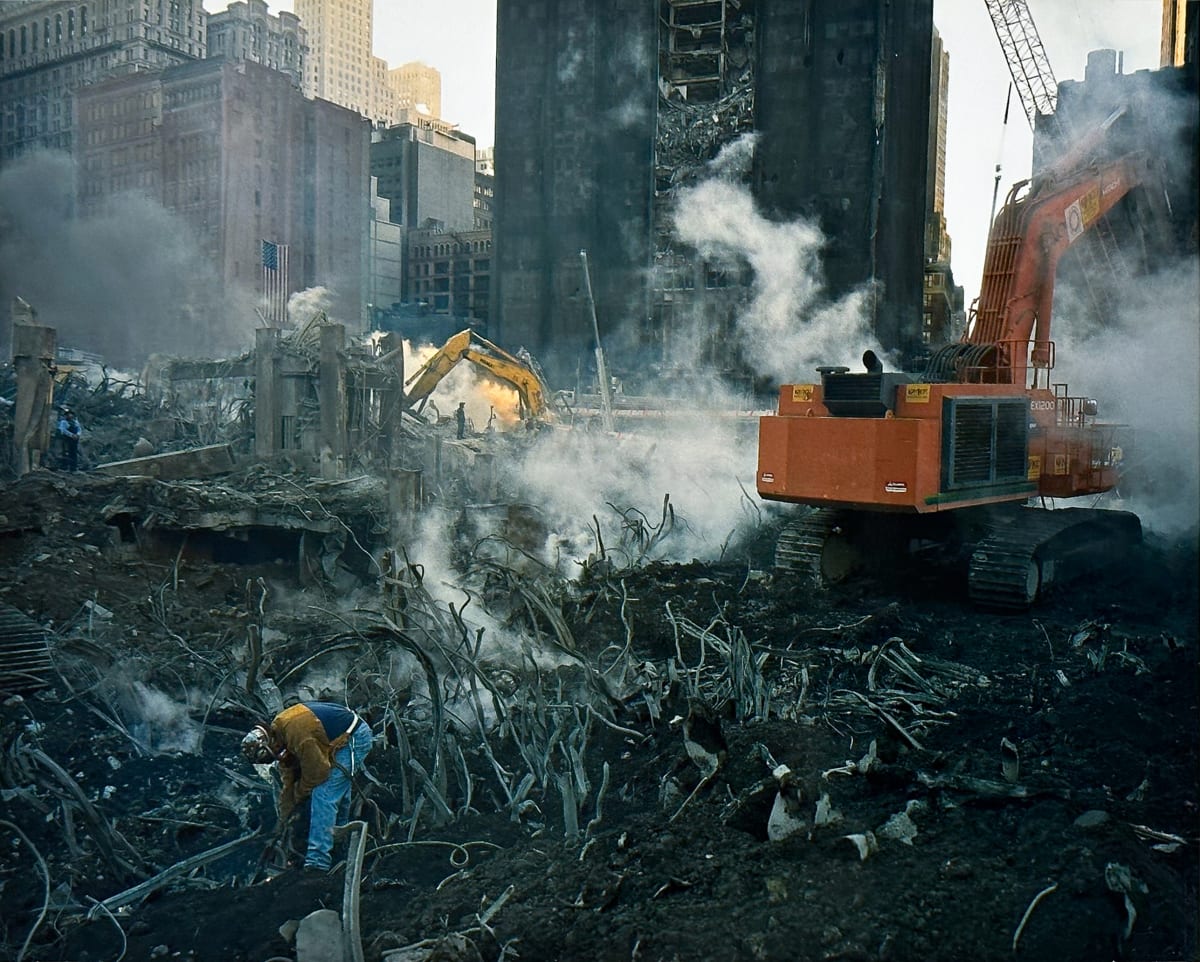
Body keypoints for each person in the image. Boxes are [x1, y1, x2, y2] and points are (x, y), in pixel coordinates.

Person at [241, 701, 372, 873]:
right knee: (337, 791)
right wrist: (284, 814)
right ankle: (341, 840)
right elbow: (289, 778)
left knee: (324, 794)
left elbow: (318, 773)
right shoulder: (280, 730)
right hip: (336, 736)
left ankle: (317, 863)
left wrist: (298, 795)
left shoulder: (298, 735)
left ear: (270, 745)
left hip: (355, 738)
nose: (277, 758)